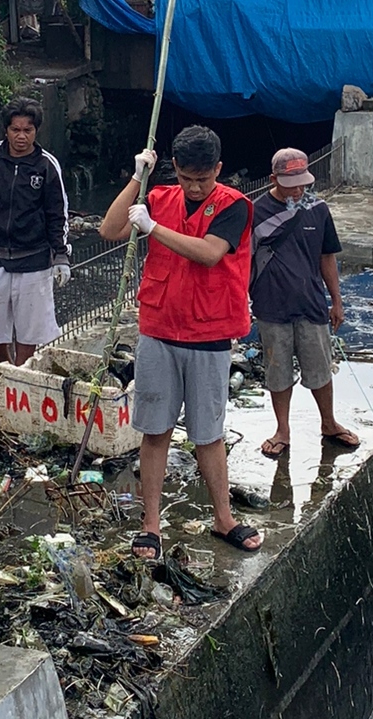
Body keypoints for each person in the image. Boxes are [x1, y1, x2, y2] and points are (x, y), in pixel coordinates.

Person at [99, 125, 263, 559]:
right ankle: (150, 525)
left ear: (218, 171)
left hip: (208, 334)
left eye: (203, 180)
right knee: (155, 431)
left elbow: (209, 253)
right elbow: (110, 228)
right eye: (187, 178)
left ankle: (223, 518)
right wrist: (138, 178)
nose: (194, 187)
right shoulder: (159, 196)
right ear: (174, 169)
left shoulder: (235, 205)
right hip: (158, 329)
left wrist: (152, 229)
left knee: (207, 434)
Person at [250, 148, 360, 458]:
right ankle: (282, 429)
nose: (298, 189)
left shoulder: (319, 209)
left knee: (320, 367)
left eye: (302, 183)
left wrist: (336, 300)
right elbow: (244, 261)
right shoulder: (255, 212)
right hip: (271, 304)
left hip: (311, 302)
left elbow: (327, 256)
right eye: (291, 183)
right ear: (274, 179)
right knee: (277, 370)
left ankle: (329, 422)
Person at [0, 96, 71, 366]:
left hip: (34, 257)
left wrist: (61, 255)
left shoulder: (47, 166)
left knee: (30, 323)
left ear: (36, 131)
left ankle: (20, 371)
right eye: (15, 130)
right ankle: (4, 365)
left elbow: (57, 213)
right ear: (6, 130)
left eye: (27, 130)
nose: (21, 136)